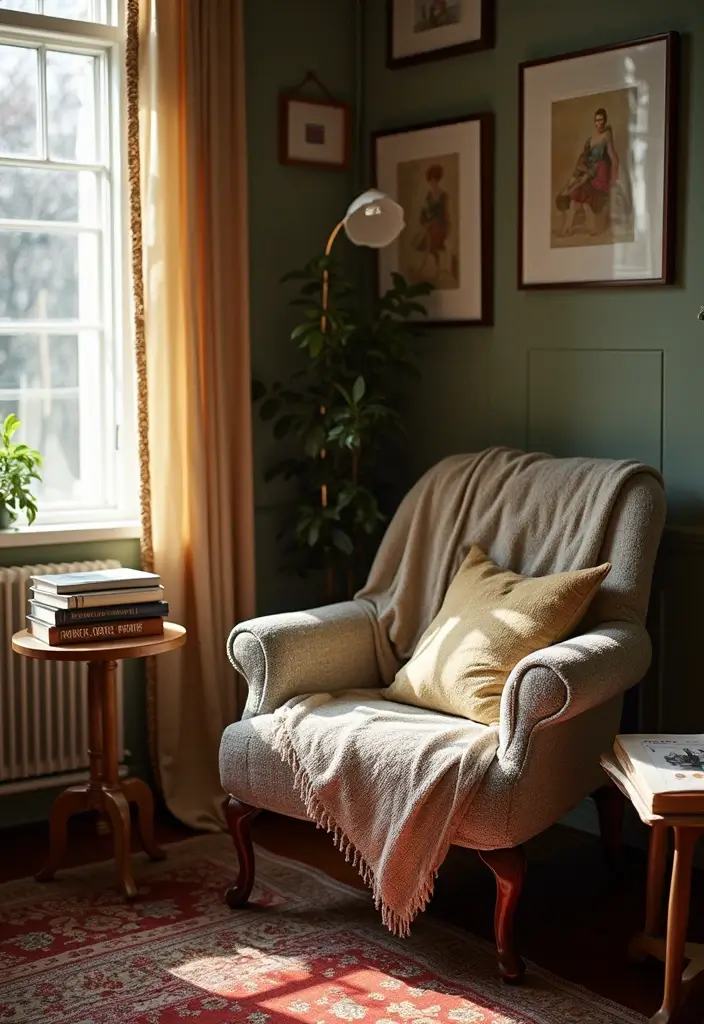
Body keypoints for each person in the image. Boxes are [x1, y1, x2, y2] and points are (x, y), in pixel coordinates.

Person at [556, 107, 624, 237]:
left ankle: (586, 225)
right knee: (577, 194)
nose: (599, 123)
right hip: (590, 171)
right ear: (594, 122)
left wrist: (613, 178)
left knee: (582, 185)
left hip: (600, 171)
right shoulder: (591, 139)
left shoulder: (606, 136)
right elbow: (584, 159)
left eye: (601, 120)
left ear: (605, 121)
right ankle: (568, 228)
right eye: (597, 120)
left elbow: (613, 157)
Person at [411, 163, 450, 281]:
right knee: (430, 243)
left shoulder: (443, 195)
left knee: (429, 237)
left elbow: (444, 213)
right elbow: (425, 212)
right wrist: (425, 218)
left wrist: (445, 227)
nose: (433, 182)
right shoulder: (428, 195)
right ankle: (434, 271)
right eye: (431, 179)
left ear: (438, 179)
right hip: (430, 225)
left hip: (439, 225)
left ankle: (422, 269)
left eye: (435, 179)